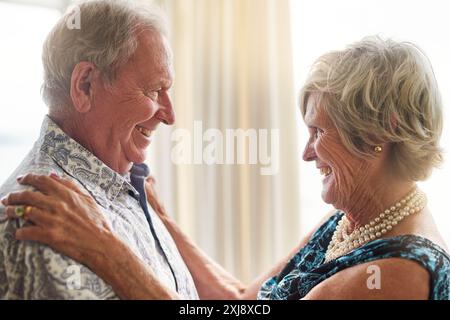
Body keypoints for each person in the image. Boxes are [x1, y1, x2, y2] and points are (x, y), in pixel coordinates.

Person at [2, 34, 450, 299]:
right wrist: (158, 213)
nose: (306, 154)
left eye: (318, 133)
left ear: (377, 136)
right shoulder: (353, 222)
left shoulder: (394, 274)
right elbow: (243, 301)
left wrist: (102, 247)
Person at [0, 0, 198, 299]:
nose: (170, 116)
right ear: (85, 86)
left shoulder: (125, 188)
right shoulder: (40, 219)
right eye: (154, 90)